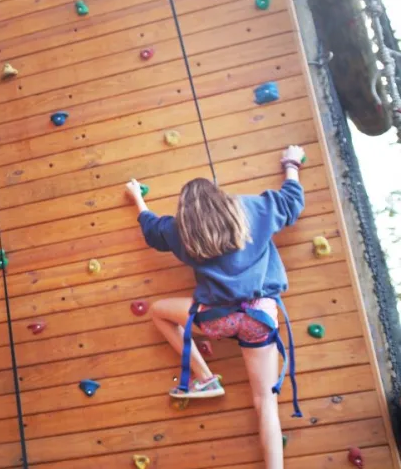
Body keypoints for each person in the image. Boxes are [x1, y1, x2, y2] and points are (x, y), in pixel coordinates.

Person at [130, 145, 307, 469]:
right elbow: (292, 203)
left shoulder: (180, 231)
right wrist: (291, 163)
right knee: (265, 402)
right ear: (219, 196)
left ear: (185, 211)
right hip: (259, 318)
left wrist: (137, 198)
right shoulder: (251, 209)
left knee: (158, 312)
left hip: (217, 319)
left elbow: (152, 230)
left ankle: (205, 376)